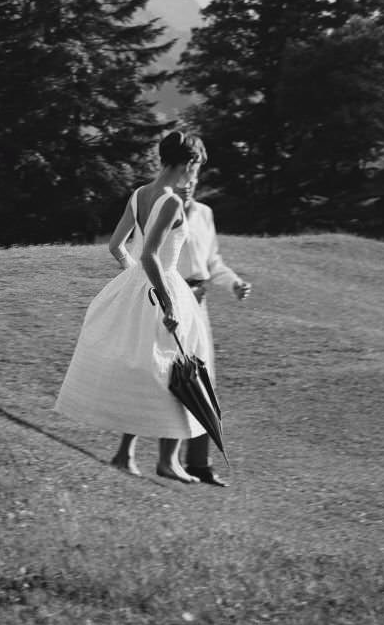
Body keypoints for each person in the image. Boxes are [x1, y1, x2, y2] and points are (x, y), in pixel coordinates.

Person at [54, 131, 213, 483]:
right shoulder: (170, 201)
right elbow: (150, 255)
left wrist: (136, 280)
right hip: (166, 288)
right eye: (196, 166)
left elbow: (116, 246)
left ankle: (125, 455)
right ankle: (168, 462)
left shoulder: (139, 194)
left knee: (147, 367)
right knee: (178, 371)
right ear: (188, 163)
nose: (195, 174)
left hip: (140, 288)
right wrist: (168, 302)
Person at [174, 175, 251, 485]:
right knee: (172, 378)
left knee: (203, 381)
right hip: (172, 302)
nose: (187, 184)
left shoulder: (204, 213)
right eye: (182, 178)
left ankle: (198, 463)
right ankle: (157, 457)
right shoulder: (162, 209)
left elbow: (213, 261)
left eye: (192, 178)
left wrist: (234, 283)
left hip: (199, 304)